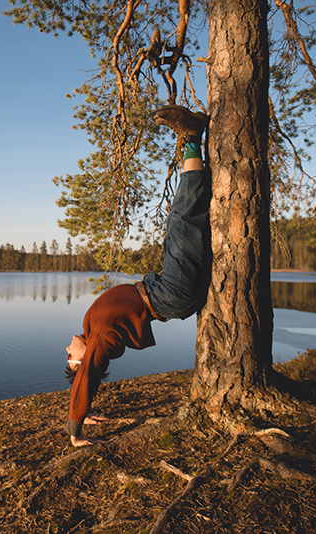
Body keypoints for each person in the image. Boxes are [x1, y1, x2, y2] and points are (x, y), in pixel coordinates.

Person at [64, 105, 210, 447]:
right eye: (70, 356)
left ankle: (195, 148)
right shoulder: (99, 339)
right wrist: (75, 430)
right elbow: (87, 378)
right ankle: (192, 136)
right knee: (184, 218)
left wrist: (87, 411)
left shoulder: (91, 329)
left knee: (187, 221)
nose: (66, 348)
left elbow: (87, 380)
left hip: (163, 289)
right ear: (83, 358)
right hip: (169, 293)